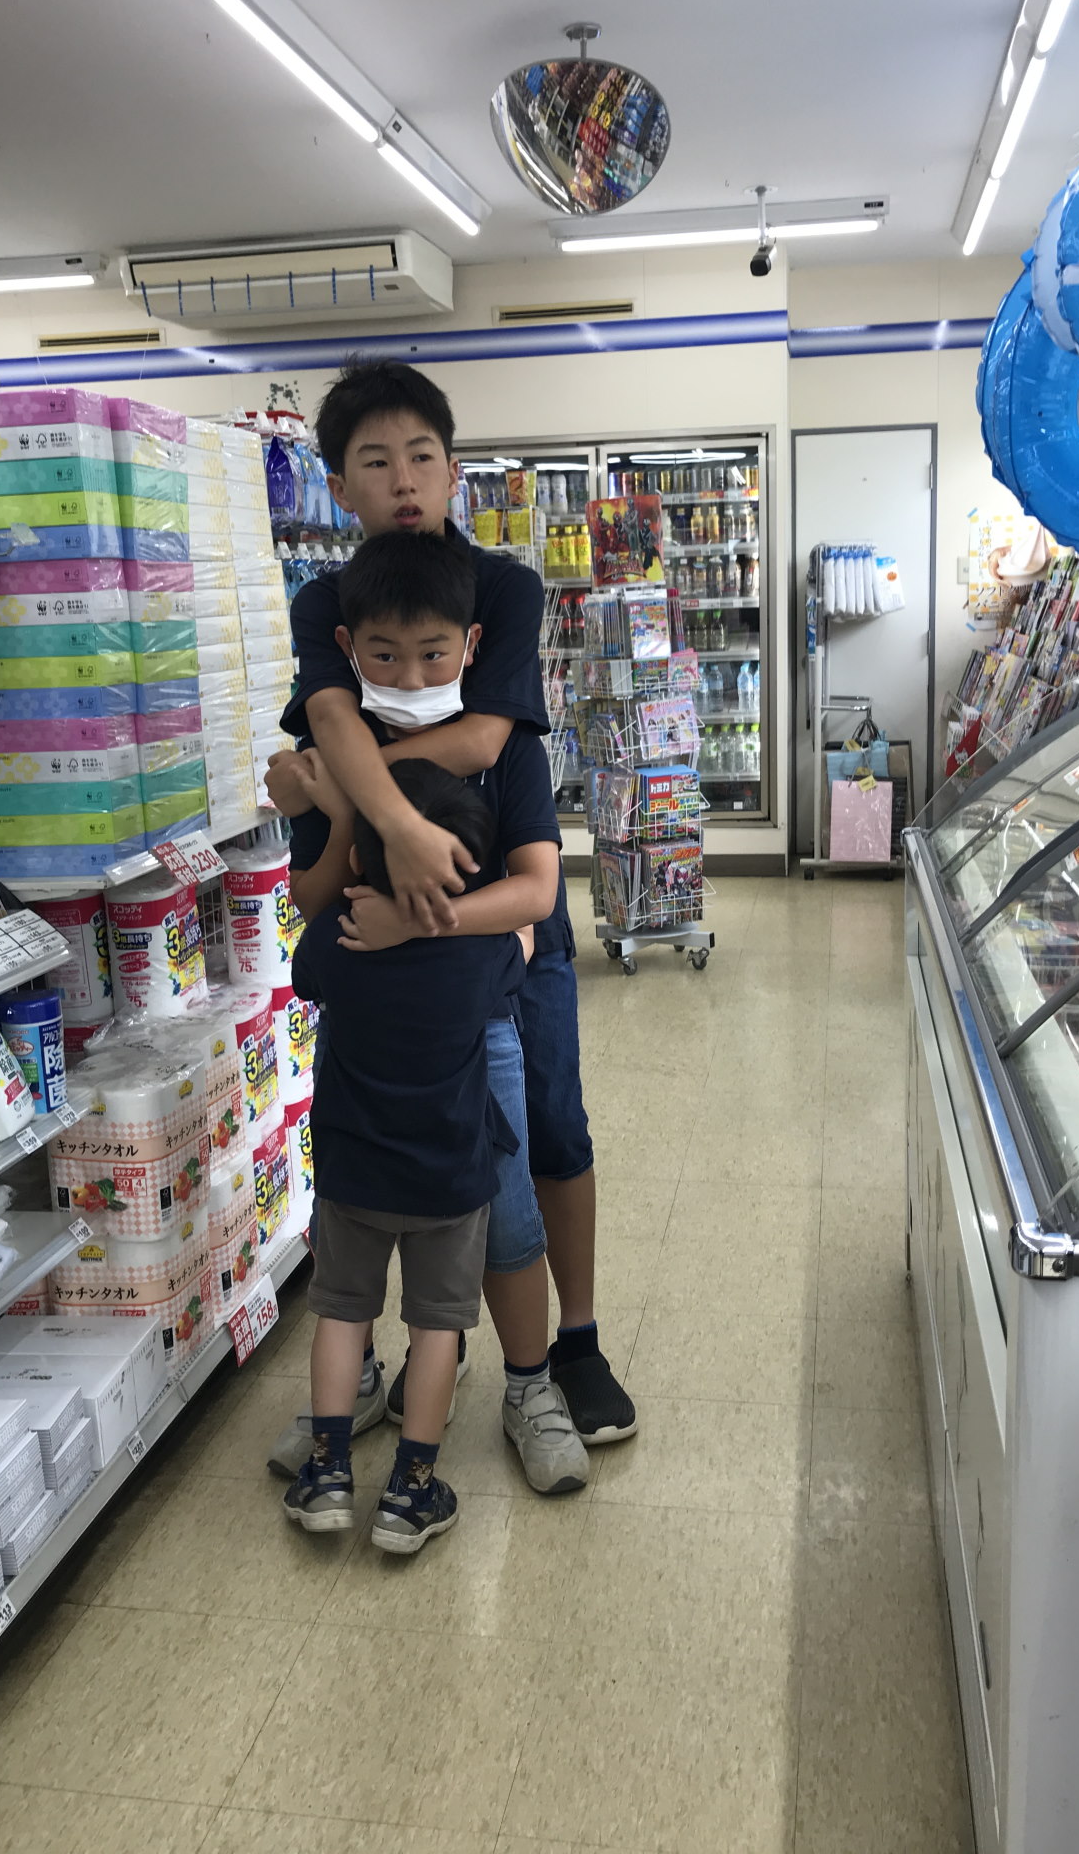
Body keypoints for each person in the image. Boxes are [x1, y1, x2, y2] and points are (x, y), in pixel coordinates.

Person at [267, 358, 635, 1444]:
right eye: (374, 461)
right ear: (339, 485)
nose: (403, 480)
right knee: (398, 1144)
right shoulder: (327, 602)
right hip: (380, 940)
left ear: (453, 469)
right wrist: (357, 804)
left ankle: (572, 1343)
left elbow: (479, 738)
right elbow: (328, 719)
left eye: (421, 456)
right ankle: (420, 1354)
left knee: (545, 1127)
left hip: (509, 922)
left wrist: (349, 793)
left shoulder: (501, 588)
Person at [274, 531, 591, 1494]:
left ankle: (530, 1386)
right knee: (353, 1216)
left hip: (478, 1027)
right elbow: (311, 898)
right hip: (366, 1038)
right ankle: (361, 1386)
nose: (410, 677)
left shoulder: (509, 752)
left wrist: (418, 921)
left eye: (433, 654)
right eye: (384, 655)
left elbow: (536, 894)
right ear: (347, 648)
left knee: (505, 1213)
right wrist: (340, 812)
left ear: (472, 645)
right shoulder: (337, 756)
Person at [285, 756, 523, 1553]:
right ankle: (410, 1491)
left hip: (352, 1169)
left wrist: (340, 829)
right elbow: (524, 938)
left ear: (360, 857)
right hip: (450, 1177)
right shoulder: (476, 951)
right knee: (437, 1328)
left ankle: (327, 1474)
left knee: (341, 1313)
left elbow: (306, 976)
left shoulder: (336, 935)